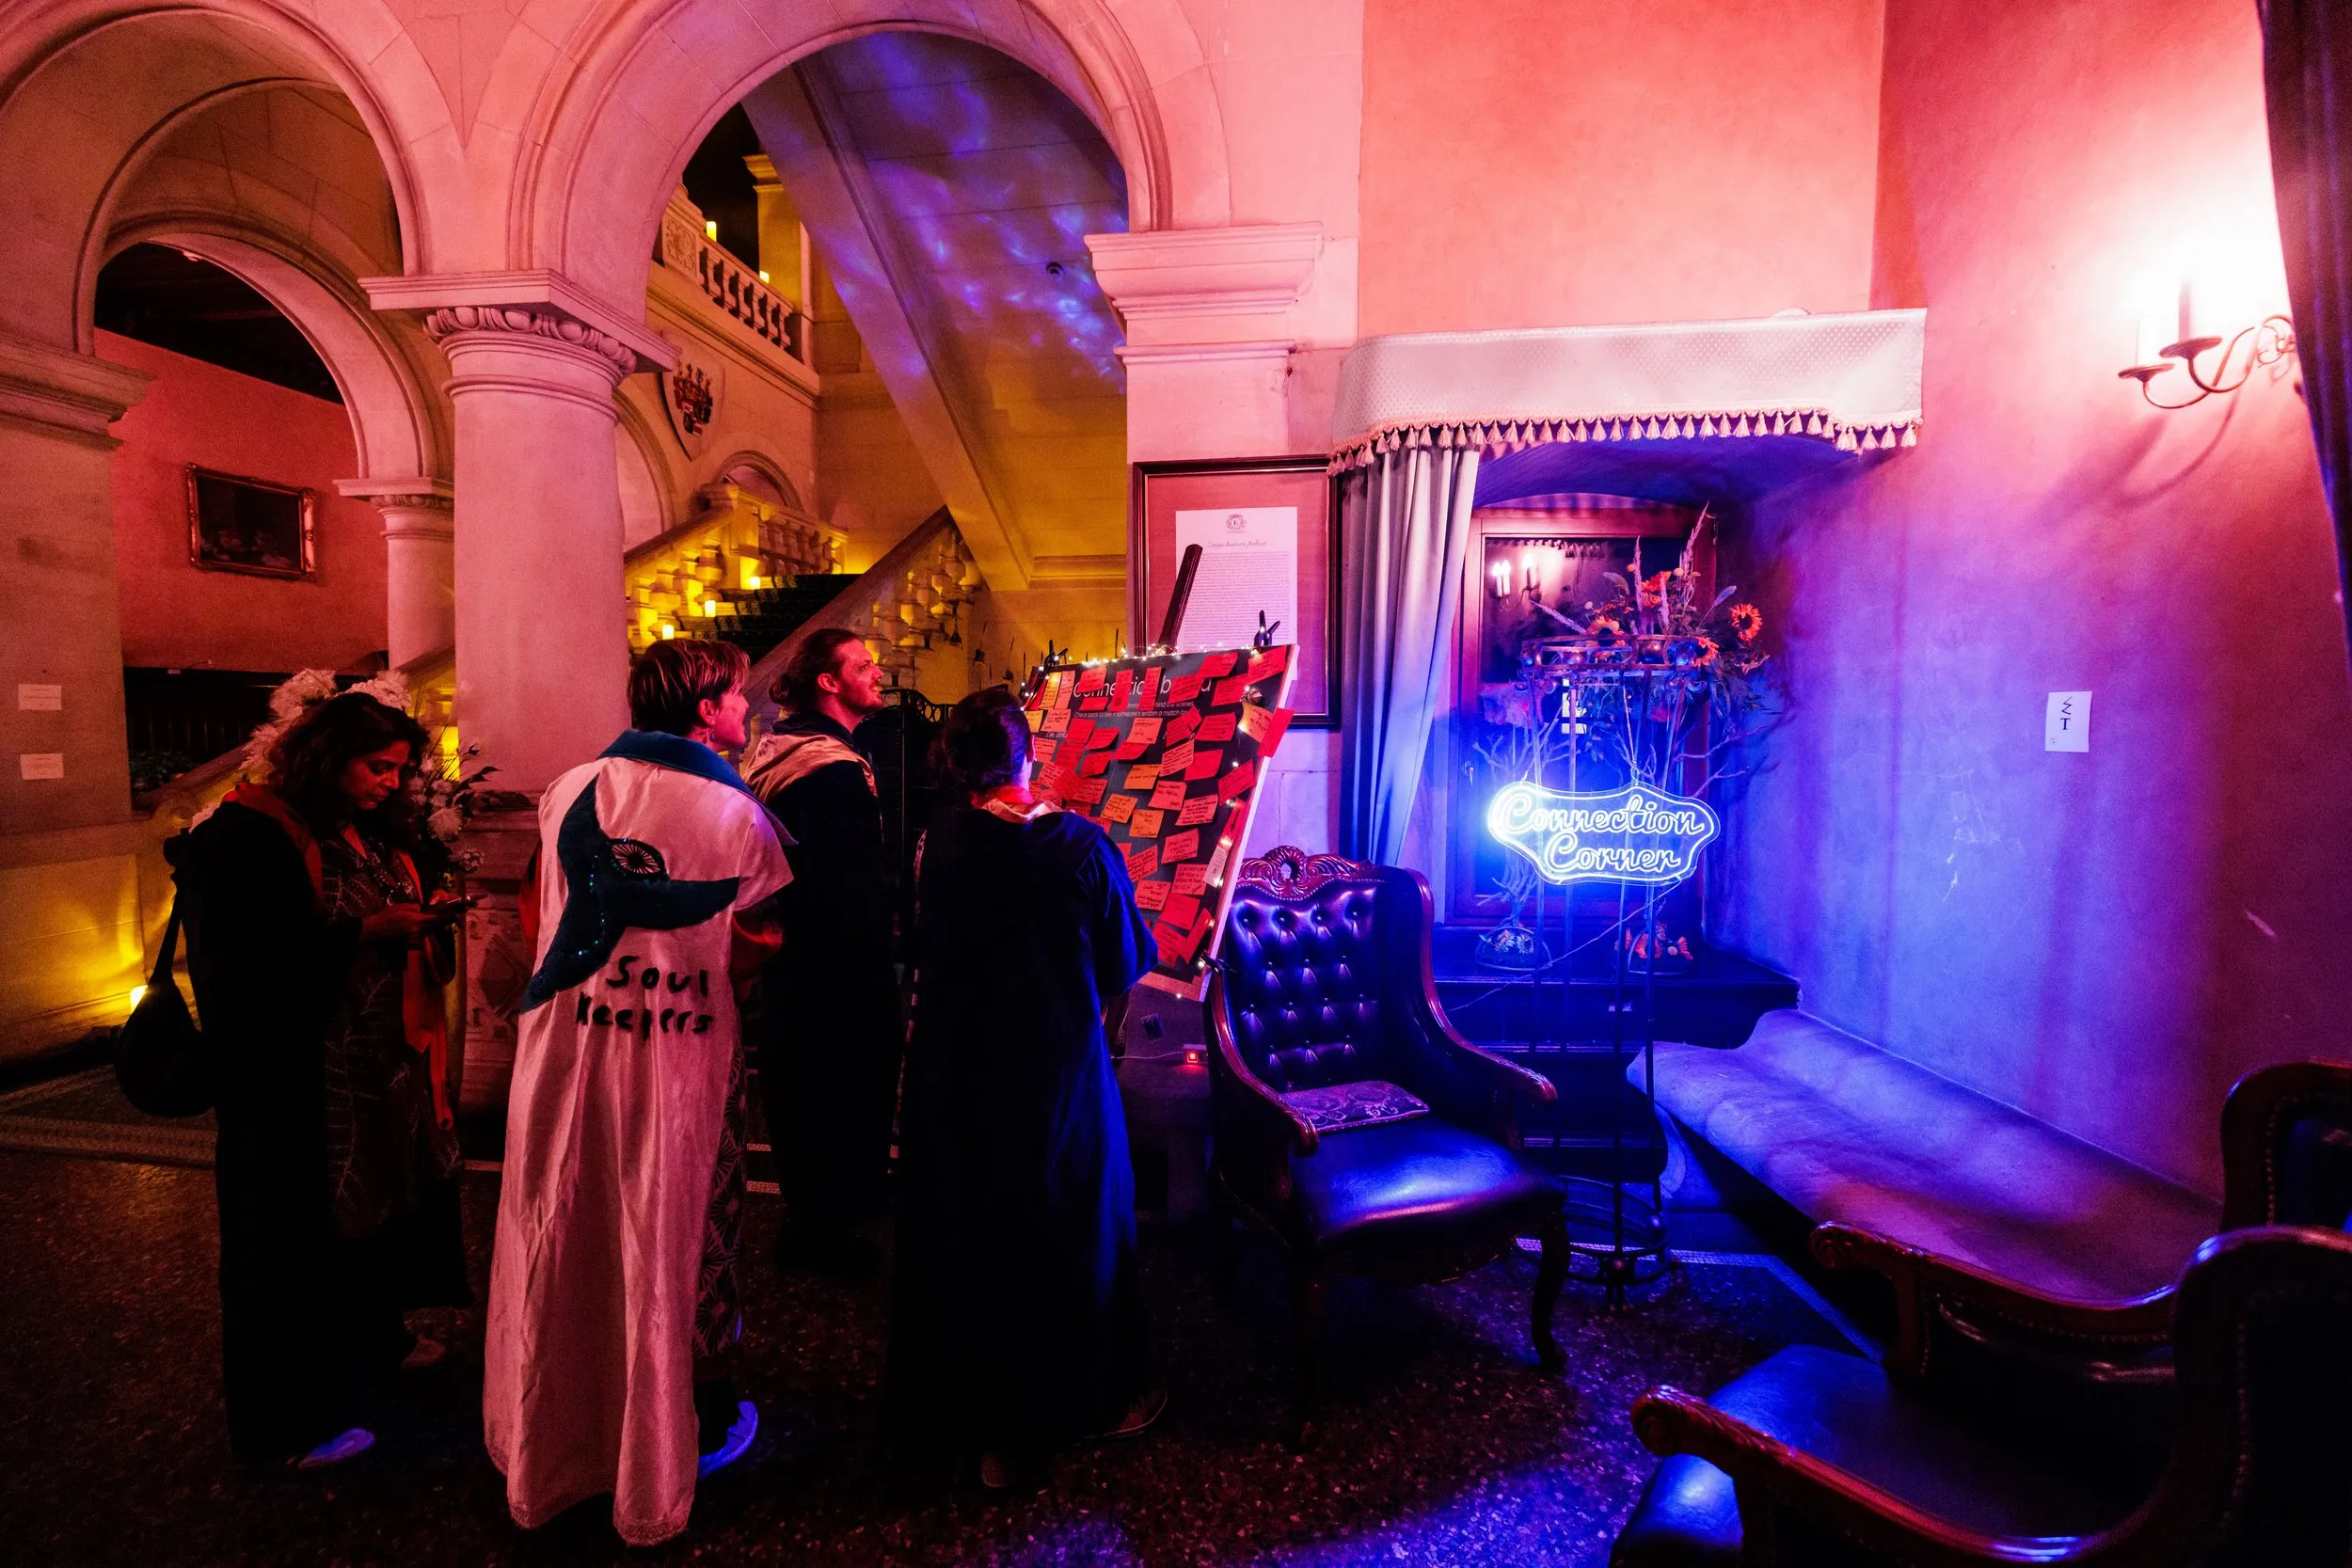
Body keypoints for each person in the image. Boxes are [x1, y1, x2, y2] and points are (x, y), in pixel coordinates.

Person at [483, 639, 793, 1547]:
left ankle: (550, 1424)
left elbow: (538, 911)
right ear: (704, 708)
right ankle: (684, 1422)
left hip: (565, 1051)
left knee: (565, 1218)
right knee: (676, 1232)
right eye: (736, 696)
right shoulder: (738, 814)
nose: (747, 711)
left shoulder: (569, 787)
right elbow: (755, 946)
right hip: (678, 1061)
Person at [177, 689, 469, 1469]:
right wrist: (366, 930)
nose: (391, 783)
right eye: (377, 767)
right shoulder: (244, 836)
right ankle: (281, 1428)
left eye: (399, 770)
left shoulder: (341, 826)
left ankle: (360, 1355)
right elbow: (248, 966)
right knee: (277, 1249)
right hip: (284, 1084)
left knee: (357, 1225)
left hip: (357, 1074)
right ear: (328, 758)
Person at [885, 688, 1164, 1489]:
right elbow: (1124, 960)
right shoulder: (1081, 846)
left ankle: (970, 1416)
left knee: (967, 1228)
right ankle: (1072, 1403)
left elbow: (916, 942)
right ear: (1029, 756)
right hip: (1054, 1070)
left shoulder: (937, 841)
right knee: (1067, 1221)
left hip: (955, 1067)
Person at [741, 626, 899, 1272]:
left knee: (810, 1087)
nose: (877, 672)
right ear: (828, 682)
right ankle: (822, 1232)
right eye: (862, 665)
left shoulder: (795, 751)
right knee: (834, 1089)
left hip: (802, 957)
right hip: (833, 963)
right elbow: (841, 881)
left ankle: (822, 1215)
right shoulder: (825, 769)